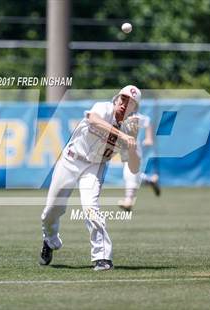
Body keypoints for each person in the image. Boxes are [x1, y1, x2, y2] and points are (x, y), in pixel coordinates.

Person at [39, 85, 142, 271]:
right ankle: (50, 240)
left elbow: (134, 168)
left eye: (130, 102)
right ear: (116, 99)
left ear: (135, 109)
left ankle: (102, 258)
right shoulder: (104, 108)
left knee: (90, 208)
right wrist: (123, 136)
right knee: (51, 210)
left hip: (95, 167)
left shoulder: (131, 129)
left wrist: (132, 145)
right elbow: (93, 120)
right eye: (123, 99)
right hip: (70, 160)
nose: (124, 104)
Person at [118, 114, 161, 212]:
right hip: (123, 148)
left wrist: (149, 137)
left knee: (129, 173)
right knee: (133, 175)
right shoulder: (114, 113)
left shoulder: (133, 116)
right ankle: (150, 181)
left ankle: (128, 201)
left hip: (132, 147)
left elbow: (147, 121)